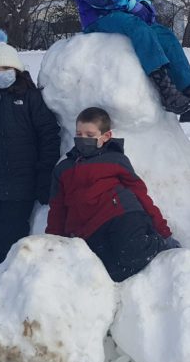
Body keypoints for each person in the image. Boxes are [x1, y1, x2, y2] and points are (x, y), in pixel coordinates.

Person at [0, 31, 62, 296]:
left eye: (6, 67)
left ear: (17, 69)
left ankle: (5, 295)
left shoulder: (30, 97)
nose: (1, 73)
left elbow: (48, 136)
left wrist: (42, 178)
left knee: (10, 237)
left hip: (22, 183)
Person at [46, 106, 179, 282]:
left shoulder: (116, 160)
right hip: (88, 229)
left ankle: (156, 245)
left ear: (106, 136)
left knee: (131, 252)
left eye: (90, 135)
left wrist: (164, 232)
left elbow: (140, 193)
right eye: (79, 134)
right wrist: (52, 243)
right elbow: (57, 208)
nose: (82, 139)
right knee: (108, 272)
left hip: (122, 214)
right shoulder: (63, 168)